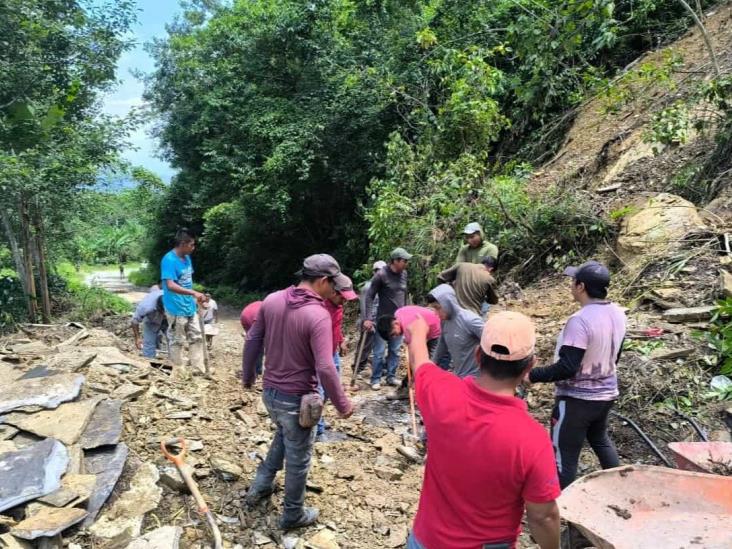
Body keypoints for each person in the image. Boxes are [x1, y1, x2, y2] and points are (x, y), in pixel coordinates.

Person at [405, 312, 561, 549]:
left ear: (478, 355)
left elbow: (420, 362)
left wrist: (418, 331)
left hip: (426, 541)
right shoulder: (533, 440)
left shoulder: (441, 394)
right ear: (530, 365)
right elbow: (543, 516)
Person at [242, 254, 354, 530]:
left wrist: (248, 376)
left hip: (270, 394)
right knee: (298, 460)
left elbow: (252, 340)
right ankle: (293, 515)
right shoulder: (317, 315)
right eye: (333, 285)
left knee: (284, 435)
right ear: (323, 281)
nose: (333, 292)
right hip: (297, 400)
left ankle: (261, 485)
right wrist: (342, 404)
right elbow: (326, 367)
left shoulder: (272, 300)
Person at [525, 261, 625, 489]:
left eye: (573, 282)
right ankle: (622, 489)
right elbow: (615, 355)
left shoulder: (579, 321)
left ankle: (562, 514)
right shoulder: (618, 313)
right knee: (600, 440)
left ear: (581, 286)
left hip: (577, 400)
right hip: (606, 394)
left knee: (563, 457)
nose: (571, 285)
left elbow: (567, 367)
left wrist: (533, 375)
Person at [161, 229, 207, 379]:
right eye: (192, 245)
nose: (193, 248)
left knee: (196, 337)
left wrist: (196, 297)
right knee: (177, 340)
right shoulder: (169, 260)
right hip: (175, 308)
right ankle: (179, 372)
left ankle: (198, 369)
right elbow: (170, 285)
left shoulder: (186, 259)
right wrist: (194, 293)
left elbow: (187, 283)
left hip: (189, 306)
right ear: (183, 244)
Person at [364, 248, 411, 390]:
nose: (406, 263)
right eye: (404, 261)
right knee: (379, 351)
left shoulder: (404, 274)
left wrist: (407, 314)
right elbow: (369, 295)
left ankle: (391, 376)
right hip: (383, 320)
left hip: (399, 320)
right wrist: (368, 318)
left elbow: (405, 294)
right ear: (395, 261)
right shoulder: (381, 275)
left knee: (395, 350)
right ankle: (376, 378)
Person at [318, 274, 358, 437]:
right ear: (333, 292)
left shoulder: (338, 307)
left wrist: (341, 341)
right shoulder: (319, 308)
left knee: (330, 388)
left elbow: (336, 327)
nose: (345, 301)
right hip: (320, 354)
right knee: (319, 390)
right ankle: (317, 430)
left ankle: (318, 419)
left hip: (333, 351)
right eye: (343, 297)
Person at [427, 284, 483, 378]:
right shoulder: (445, 322)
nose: (436, 313)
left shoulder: (470, 321)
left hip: (476, 379)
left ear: (448, 303)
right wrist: (430, 365)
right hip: (459, 376)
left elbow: (492, 342)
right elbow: (442, 345)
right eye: (434, 309)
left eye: (438, 308)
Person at [356, 260, 387, 377]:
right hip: (368, 321)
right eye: (378, 271)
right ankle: (358, 368)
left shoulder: (382, 286)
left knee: (380, 347)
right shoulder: (368, 287)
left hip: (379, 321)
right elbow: (364, 306)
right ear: (374, 272)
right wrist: (367, 321)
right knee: (365, 346)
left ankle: (379, 368)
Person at [130, 284, 168, 359]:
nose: (164, 313)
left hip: (168, 321)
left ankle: (175, 362)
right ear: (158, 307)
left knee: (173, 341)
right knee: (149, 344)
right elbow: (134, 321)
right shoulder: (146, 307)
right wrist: (137, 338)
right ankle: (149, 362)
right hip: (152, 321)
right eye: (163, 311)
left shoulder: (172, 300)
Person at [240, 301, 263, 376]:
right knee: (258, 346)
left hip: (244, 316)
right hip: (254, 318)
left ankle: (254, 369)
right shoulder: (272, 310)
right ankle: (256, 371)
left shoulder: (264, 304)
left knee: (253, 345)